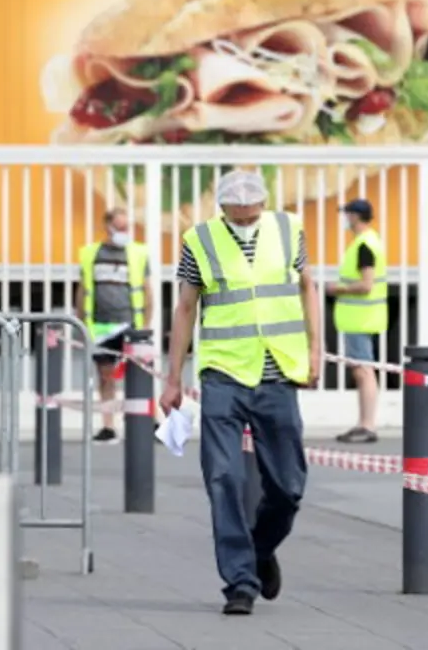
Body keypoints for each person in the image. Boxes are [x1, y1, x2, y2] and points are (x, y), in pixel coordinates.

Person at [159, 170, 322, 616]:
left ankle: (259, 549)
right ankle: (240, 582)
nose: (248, 220)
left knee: (288, 487)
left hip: (278, 374)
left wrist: (315, 350)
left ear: (265, 205)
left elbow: (307, 286)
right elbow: (186, 308)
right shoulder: (200, 240)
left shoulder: (289, 229)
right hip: (223, 375)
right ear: (224, 208)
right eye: (240, 214)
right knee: (224, 478)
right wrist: (172, 378)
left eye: (255, 213)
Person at [75, 207, 153, 443]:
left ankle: (148, 422)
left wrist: (145, 324)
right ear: (107, 226)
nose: (125, 232)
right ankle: (108, 426)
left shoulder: (138, 253)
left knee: (140, 375)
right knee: (106, 375)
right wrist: (80, 323)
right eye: (120, 228)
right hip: (100, 325)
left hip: (130, 323)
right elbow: (83, 290)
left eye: (127, 227)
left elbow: (147, 291)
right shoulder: (90, 254)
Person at [328, 199, 387, 444]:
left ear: (355, 216)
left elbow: (366, 284)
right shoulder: (369, 242)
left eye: (347, 214)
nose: (345, 219)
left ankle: (367, 425)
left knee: (364, 372)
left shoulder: (364, 245)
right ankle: (363, 423)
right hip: (361, 319)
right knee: (362, 371)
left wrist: (338, 289)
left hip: (360, 319)